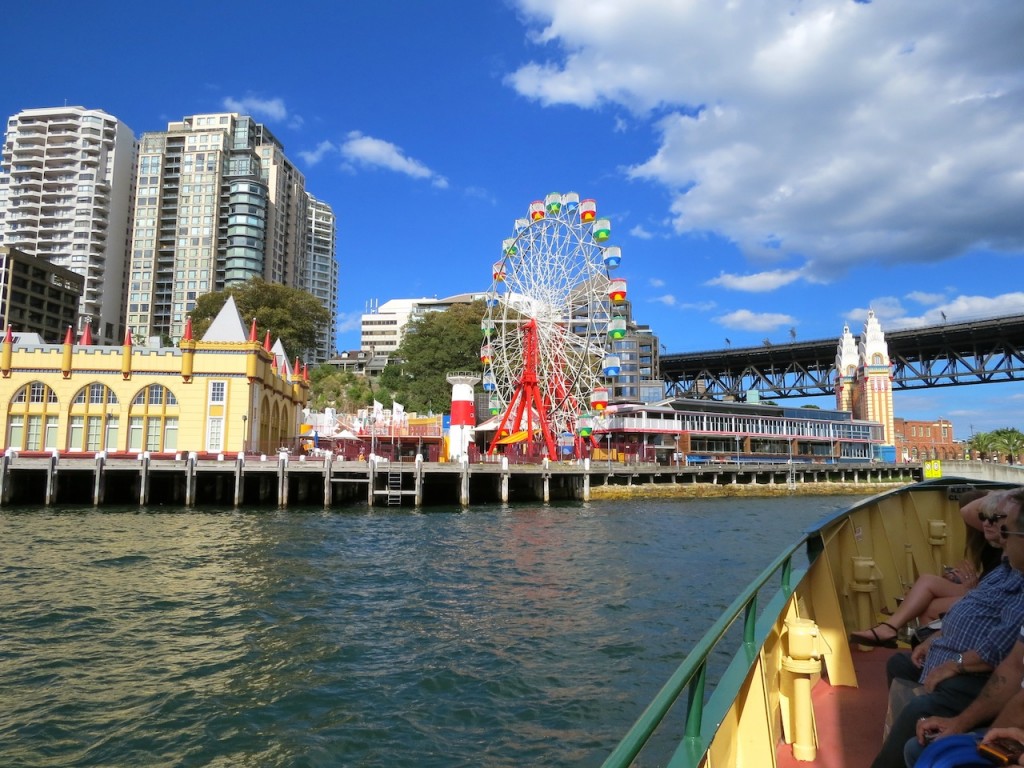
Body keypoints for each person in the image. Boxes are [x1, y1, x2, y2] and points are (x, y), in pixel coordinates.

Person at [867, 488, 1024, 768]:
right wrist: (936, 638)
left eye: (1006, 529)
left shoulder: (1019, 580)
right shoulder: (1007, 566)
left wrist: (956, 665)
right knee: (899, 665)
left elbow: (1004, 658)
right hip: (955, 656)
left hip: (974, 673)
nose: (998, 535)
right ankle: (904, 733)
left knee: (919, 713)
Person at [851, 490, 1004, 647]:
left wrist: (1002, 495)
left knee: (930, 608)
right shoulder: (990, 536)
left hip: (995, 596)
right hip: (987, 589)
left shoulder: (1002, 531)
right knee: (927, 581)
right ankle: (896, 633)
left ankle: (914, 644)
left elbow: (967, 511)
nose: (984, 521)